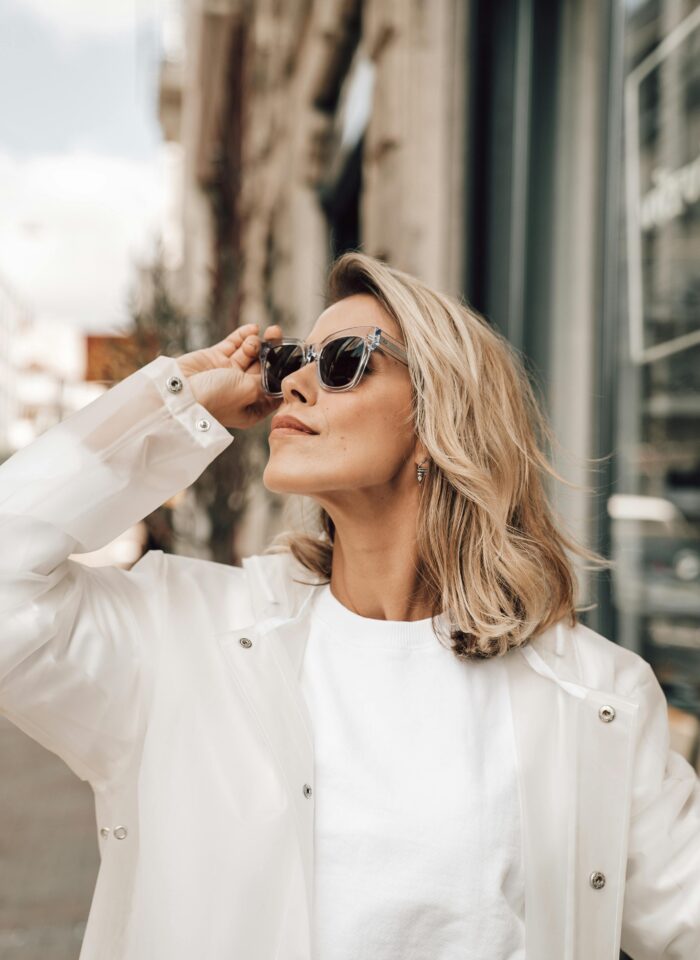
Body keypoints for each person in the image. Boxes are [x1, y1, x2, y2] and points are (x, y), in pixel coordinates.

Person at [0, 251, 698, 960]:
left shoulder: (595, 695)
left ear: (438, 418)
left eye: (342, 361)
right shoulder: (182, 636)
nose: (293, 384)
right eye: (290, 362)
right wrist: (174, 400)